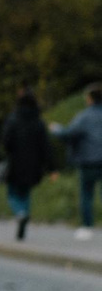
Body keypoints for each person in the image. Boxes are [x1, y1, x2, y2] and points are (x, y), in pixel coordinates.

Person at [0, 87, 55, 240]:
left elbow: (5, 142)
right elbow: (46, 146)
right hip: (33, 165)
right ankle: (25, 215)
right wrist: (51, 168)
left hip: (15, 162)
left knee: (12, 193)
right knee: (25, 192)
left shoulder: (13, 119)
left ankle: (20, 214)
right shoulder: (39, 122)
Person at [51, 83, 102, 238]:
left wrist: (56, 129)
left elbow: (69, 134)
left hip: (88, 161)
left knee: (86, 194)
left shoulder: (84, 116)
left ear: (89, 99)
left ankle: (87, 226)